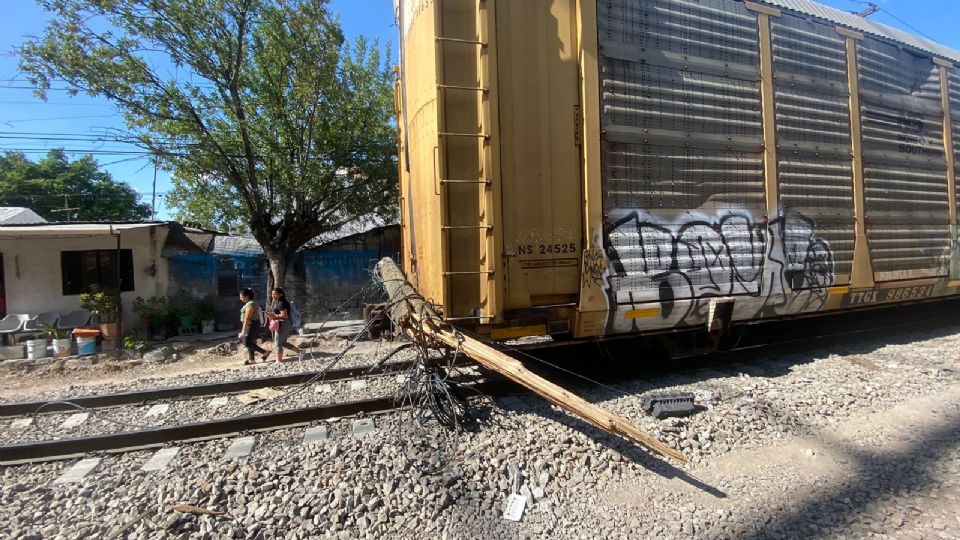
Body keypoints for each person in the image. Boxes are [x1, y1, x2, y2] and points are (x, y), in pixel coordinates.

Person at [265, 287, 303, 362]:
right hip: (286, 324)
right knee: (283, 343)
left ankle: (279, 361)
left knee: (277, 343)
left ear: (281, 294)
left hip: (283, 324)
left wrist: (273, 315)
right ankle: (300, 352)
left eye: (275, 294)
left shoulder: (282, 304)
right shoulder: (281, 302)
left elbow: (284, 315)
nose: (273, 296)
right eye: (272, 294)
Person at [238, 288, 269, 365]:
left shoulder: (251, 304)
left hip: (252, 325)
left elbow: (247, 318)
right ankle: (251, 359)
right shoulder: (250, 303)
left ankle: (265, 352)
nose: (240, 298)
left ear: (247, 296)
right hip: (251, 325)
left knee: (246, 342)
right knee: (250, 341)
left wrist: (243, 331)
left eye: (241, 297)